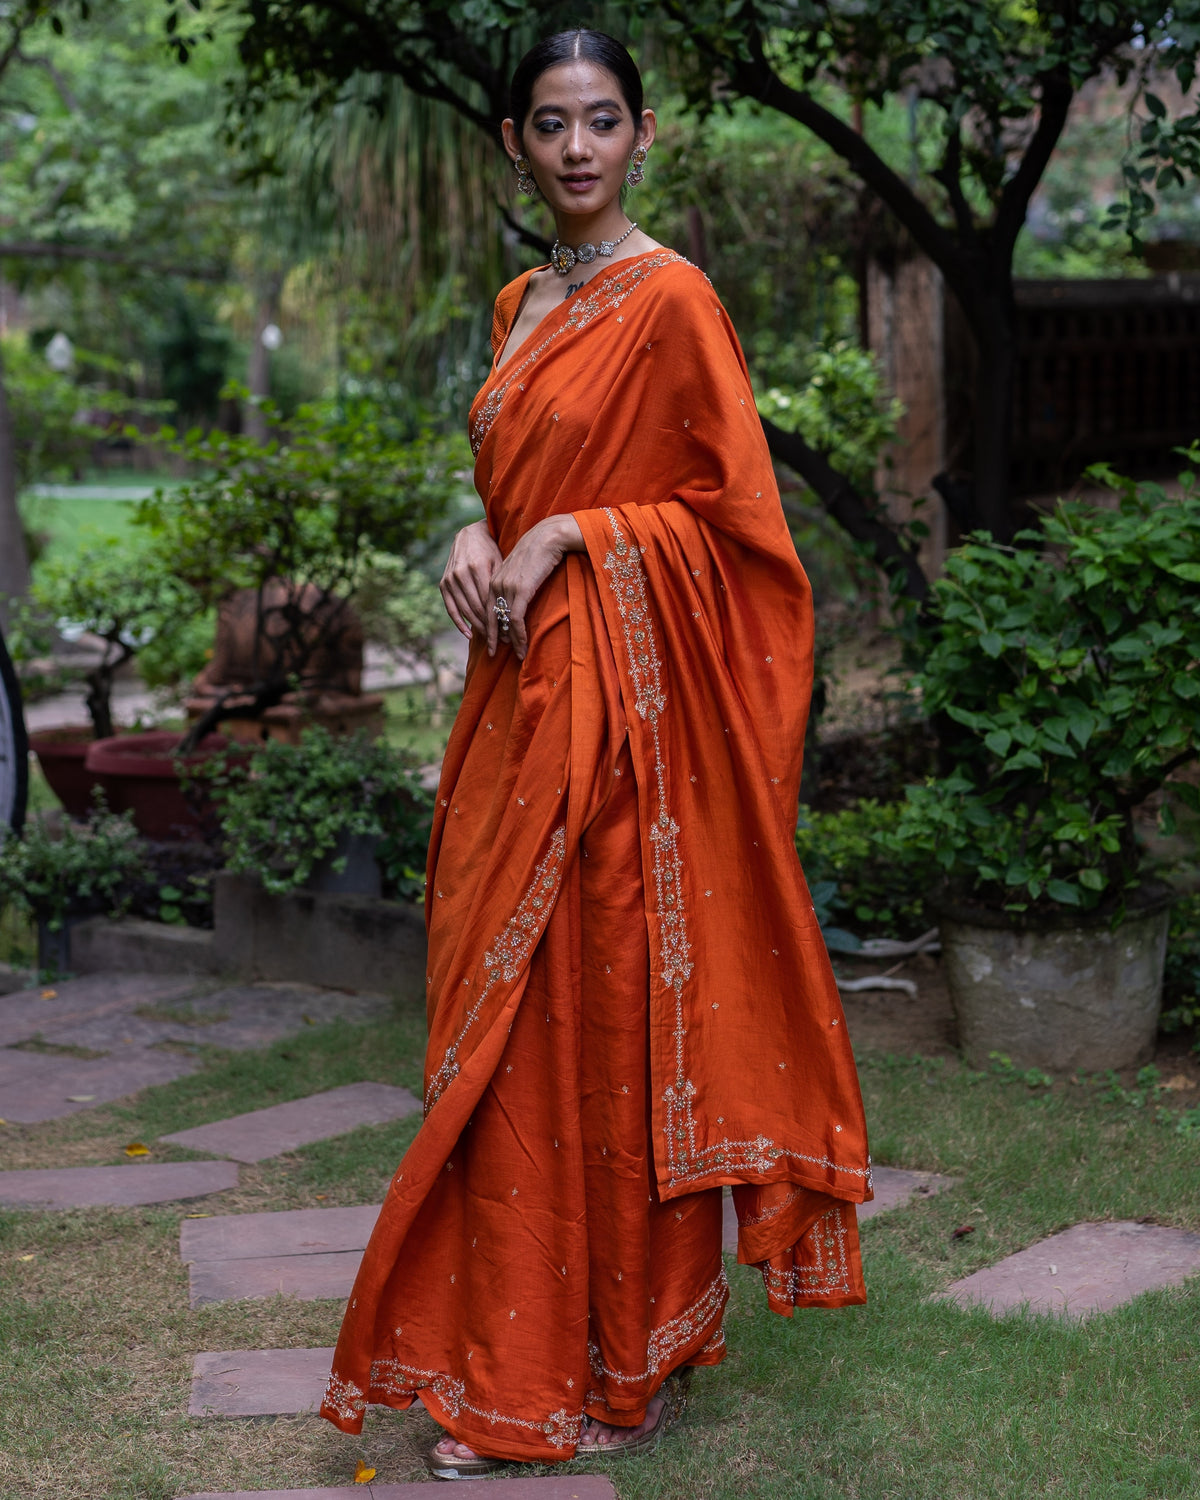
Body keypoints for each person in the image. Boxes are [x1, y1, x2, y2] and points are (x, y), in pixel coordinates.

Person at [320, 28, 872, 1480]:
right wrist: (481, 530)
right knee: (499, 1047)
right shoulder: (522, 302)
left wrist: (579, 532)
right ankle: (510, 1361)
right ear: (514, 140)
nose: (579, 147)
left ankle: (622, 1365)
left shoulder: (673, 298)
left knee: (612, 1034)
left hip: (631, 732)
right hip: (516, 707)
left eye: (605, 119)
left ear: (644, 134)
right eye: (553, 123)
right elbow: (511, 485)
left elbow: (743, 536)